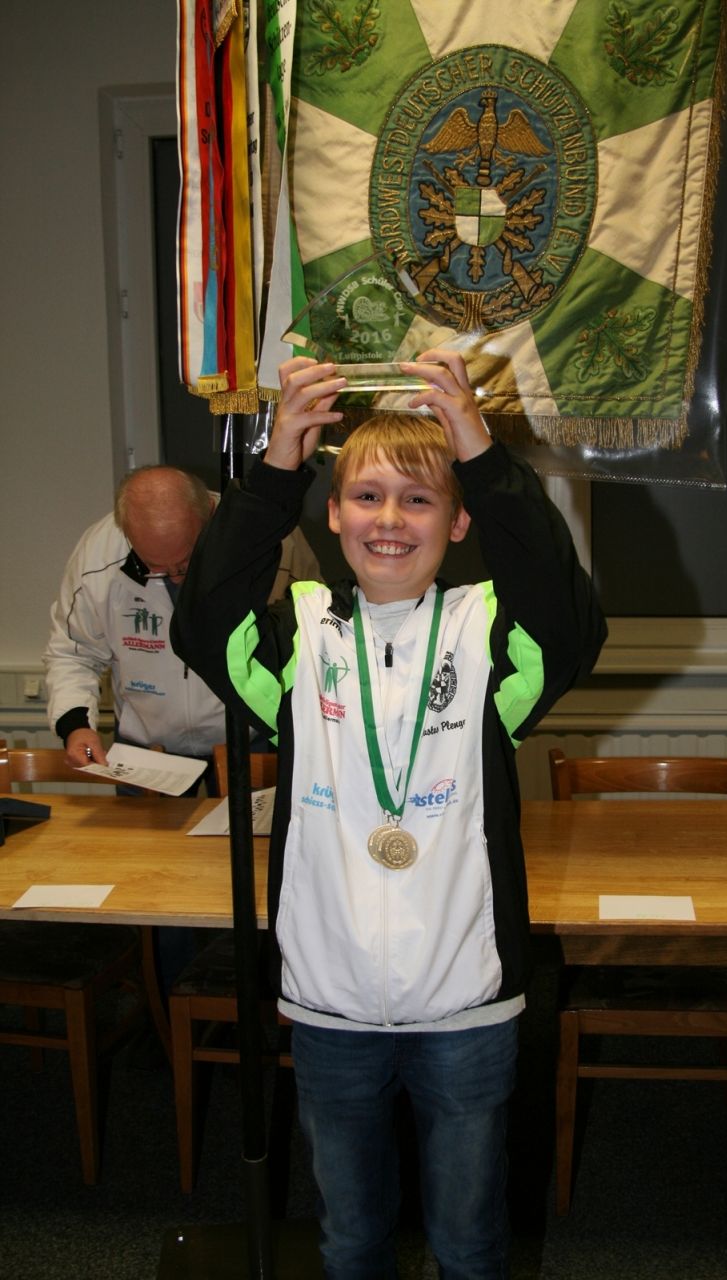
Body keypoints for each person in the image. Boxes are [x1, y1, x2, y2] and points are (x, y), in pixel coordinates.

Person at [171, 351, 607, 1277]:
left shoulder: (490, 635)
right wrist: (278, 465)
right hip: (329, 1001)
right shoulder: (299, 635)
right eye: (366, 497)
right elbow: (204, 621)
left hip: (465, 1003)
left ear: (458, 520)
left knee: (469, 1243)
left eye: (419, 500)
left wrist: (482, 453)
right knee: (351, 1239)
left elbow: (568, 617)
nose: (390, 520)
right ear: (333, 514)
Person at [44, 464, 320, 775]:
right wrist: (75, 725)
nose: (175, 578)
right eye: (156, 567)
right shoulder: (98, 557)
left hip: (248, 741)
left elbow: (311, 637)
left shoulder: (272, 541)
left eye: (186, 563)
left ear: (210, 514)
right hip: (145, 749)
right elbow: (73, 652)